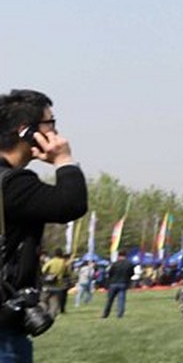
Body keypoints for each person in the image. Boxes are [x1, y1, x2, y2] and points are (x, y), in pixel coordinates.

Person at [0, 89, 88, 360]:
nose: (55, 131)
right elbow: (70, 204)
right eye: (50, 123)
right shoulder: (13, 184)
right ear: (26, 131)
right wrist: (63, 159)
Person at [100, 251, 133, 319]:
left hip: (113, 283)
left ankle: (106, 314)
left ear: (119, 256)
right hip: (123, 283)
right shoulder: (129, 264)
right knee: (121, 300)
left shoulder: (115, 264)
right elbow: (131, 273)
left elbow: (110, 273)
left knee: (110, 300)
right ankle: (120, 314)